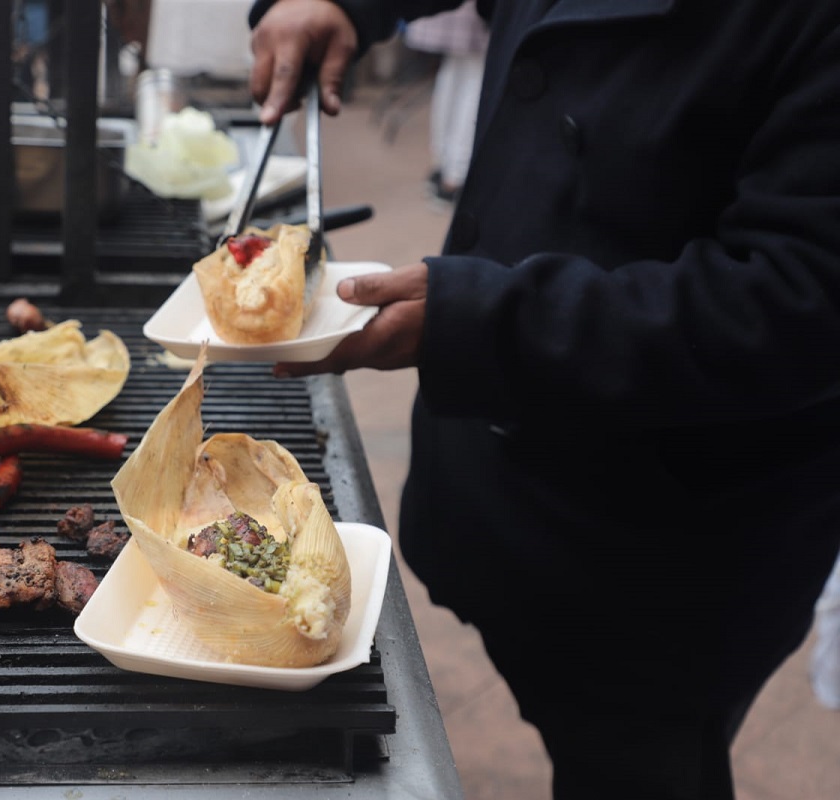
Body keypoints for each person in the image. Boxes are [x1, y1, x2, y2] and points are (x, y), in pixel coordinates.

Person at [248, 1, 840, 798]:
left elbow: (799, 304)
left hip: (669, 540)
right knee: (548, 680)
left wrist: (480, 324)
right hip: (511, 474)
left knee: (637, 760)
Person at [403, 2, 489, 204]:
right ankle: (455, 177)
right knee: (475, 74)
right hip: (476, 13)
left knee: (456, 69)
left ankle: (443, 163)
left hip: (455, 12)